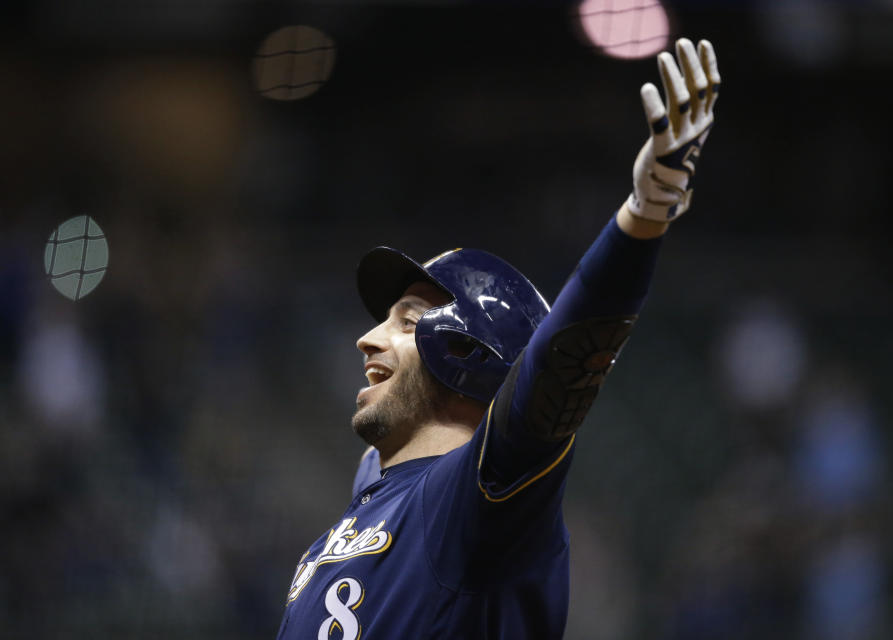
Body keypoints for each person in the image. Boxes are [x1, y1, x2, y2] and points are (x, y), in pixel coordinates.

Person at [276, 37, 721, 640]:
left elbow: (556, 368)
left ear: (466, 353)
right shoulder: (381, 494)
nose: (366, 339)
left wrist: (643, 215)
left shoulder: (469, 503)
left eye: (406, 321)